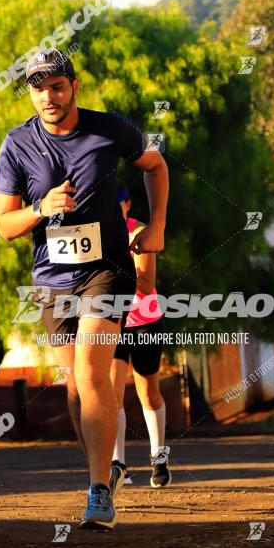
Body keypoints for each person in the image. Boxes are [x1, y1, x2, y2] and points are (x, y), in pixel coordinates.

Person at [0, 48, 168, 529]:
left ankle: (97, 490)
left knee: (93, 376)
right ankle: (101, 472)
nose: (48, 96)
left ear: (74, 85)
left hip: (107, 271)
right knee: (75, 388)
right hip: (53, 278)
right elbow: (6, 224)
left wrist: (155, 227)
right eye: (38, 88)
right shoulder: (16, 145)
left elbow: (155, 166)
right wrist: (40, 207)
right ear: (29, 93)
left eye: (56, 86)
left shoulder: (111, 129)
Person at [110, 183, 171, 493]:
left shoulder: (140, 233)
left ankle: (158, 457)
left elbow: (146, 285)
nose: (114, 207)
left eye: (118, 201)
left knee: (148, 392)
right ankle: (117, 465)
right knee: (111, 393)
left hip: (144, 322)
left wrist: (116, 264)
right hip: (111, 323)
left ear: (128, 203)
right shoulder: (98, 235)